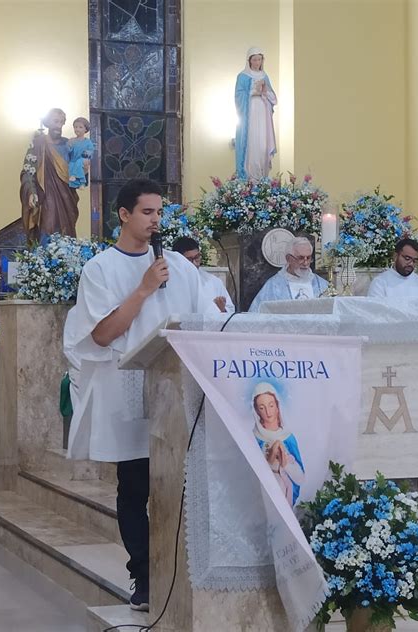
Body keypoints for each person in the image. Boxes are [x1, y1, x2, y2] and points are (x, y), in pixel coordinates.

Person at [66, 179, 212, 612]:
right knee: (134, 487)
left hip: (174, 393)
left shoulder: (181, 269)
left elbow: (199, 324)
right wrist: (145, 287)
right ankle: (143, 574)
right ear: (124, 215)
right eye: (146, 212)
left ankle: (180, 567)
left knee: (179, 484)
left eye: (159, 213)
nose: (155, 221)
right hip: (127, 391)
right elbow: (104, 332)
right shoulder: (101, 269)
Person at [20, 108, 79, 244]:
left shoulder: (69, 145)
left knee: (67, 232)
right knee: (48, 226)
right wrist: (31, 192)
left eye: (62, 122)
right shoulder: (38, 143)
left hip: (67, 198)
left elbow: (77, 172)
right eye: (56, 121)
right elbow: (28, 172)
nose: (59, 126)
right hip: (46, 197)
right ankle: (46, 259)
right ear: (47, 122)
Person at [252, 383, 305, 507]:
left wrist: (285, 463)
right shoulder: (254, 438)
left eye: (271, 405)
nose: (268, 412)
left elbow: (300, 478)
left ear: (277, 406)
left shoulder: (288, 438)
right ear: (257, 411)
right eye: (262, 407)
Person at [248, 237, 328, 310]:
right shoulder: (274, 286)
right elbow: (256, 314)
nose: (305, 263)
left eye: (308, 258)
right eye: (300, 258)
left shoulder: (321, 285)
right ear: (289, 259)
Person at [235, 46, 277, 181]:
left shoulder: (265, 76)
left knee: (263, 143)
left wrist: (264, 91)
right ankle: (251, 177)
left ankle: (262, 175)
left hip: (263, 112)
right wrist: (253, 91)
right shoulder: (243, 76)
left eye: (259, 59)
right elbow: (238, 96)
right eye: (254, 59)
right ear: (249, 61)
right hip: (250, 113)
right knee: (252, 142)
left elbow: (273, 98)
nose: (257, 62)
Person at [172, 236, 235, 314]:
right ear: (178, 259)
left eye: (197, 257)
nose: (194, 263)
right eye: (189, 260)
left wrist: (223, 310)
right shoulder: (171, 282)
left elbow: (230, 310)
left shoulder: (213, 281)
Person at [68, 117, 95, 189]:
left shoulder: (87, 142)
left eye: (80, 127)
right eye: (75, 127)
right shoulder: (72, 140)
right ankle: (75, 183)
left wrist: (86, 157)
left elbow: (90, 150)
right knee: (71, 165)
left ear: (85, 129)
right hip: (73, 160)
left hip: (83, 159)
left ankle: (82, 181)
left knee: (79, 162)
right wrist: (69, 146)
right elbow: (69, 151)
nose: (77, 129)